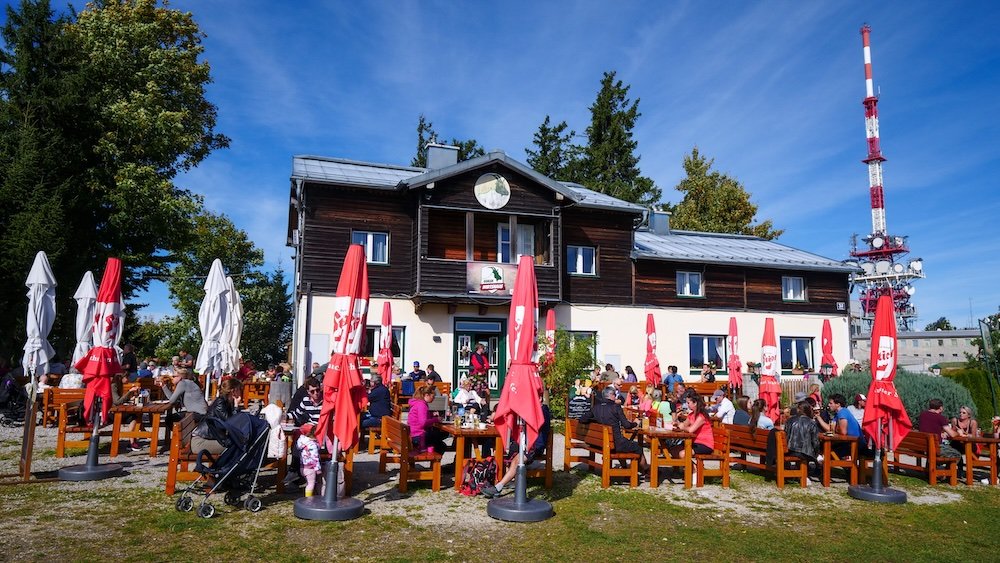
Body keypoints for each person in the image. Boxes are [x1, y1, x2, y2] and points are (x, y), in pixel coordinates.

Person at [480, 387, 553, 498]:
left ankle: (498, 487)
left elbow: (535, 426)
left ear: (540, 399)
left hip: (534, 445)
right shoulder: (532, 409)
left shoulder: (543, 410)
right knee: (501, 449)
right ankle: (503, 478)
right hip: (523, 444)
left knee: (517, 460)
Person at [581, 386, 649, 473]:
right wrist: (636, 423)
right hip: (615, 443)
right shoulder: (615, 407)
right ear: (611, 395)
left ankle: (625, 468)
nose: (615, 397)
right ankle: (647, 471)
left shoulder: (596, 407)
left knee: (624, 443)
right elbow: (627, 425)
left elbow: (582, 419)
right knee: (638, 447)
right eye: (614, 395)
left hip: (600, 443)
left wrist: (595, 420)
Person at [191, 378, 242, 456]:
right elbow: (231, 423)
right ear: (233, 391)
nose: (241, 392)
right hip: (200, 442)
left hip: (211, 438)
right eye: (239, 389)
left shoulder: (227, 402)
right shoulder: (220, 403)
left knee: (239, 444)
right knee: (236, 447)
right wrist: (236, 406)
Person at [816, 393, 864, 459]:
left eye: (831, 403)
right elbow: (830, 429)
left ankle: (846, 467)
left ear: (838, 404)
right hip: (849, 442)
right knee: (824, 448)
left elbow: (843, 432)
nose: (829, 405)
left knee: (827, 451)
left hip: (856, 444)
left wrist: (835, 430)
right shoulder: (838, 414)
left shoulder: (842, 413)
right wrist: (818, 417)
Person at [408, 384, 449, 453]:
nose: (433, 398)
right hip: (419, 436)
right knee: (443, 437)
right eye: (432, 396)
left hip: (413, 433)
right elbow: (422, 423)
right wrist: (436, 419)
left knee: (439, 438)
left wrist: (431, 416)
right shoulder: (422, 405)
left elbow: (420, 418)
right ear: (426, 395)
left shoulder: (417, 403)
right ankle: (435, 461)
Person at [671, 393, 714, 458]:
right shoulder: (691, 415)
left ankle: (691, 468)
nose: (687, 405)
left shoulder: (701, 416)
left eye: (688, 403)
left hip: (704, 444)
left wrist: (682, 427)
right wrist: (677, 423)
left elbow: (691, 430)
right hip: (694, 442)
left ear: (695, 403)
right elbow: (684, 424)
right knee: (674, 450)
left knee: (683, 454)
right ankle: (691, 467)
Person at [110, 373, 141, 451]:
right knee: (133, 416)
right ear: (121, 378)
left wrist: (130, 398)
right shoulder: (113, 386)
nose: (128, 379)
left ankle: (132, 441)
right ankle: (132, 442)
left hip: (116, 411)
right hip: (111, 413)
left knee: (134, 417)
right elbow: (117, 402)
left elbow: (120, 400)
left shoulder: (119, 385)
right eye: (126, 377)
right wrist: (129, 391)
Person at [297, 422, 324, 497]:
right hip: (311, 467)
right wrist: (318, 468)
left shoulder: (301, 441)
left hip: (303, 466)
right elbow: (315, 457)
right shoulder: (312, 444)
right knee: (310, 484)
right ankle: (308, 499)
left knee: (308, 482)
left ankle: (310, 495)